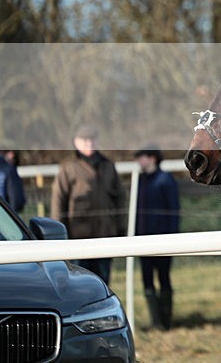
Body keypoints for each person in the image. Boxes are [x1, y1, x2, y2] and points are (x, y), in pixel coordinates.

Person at [51, 124, 125, 284]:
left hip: (104, 236)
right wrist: (58, 235)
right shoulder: (68, 168)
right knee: (80, 283)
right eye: (84, 140)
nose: (89, 144)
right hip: (77, 238)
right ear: (76, 142)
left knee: (103, 283)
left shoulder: (108, 165)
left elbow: (119, 198)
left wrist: (120, 228)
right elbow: (59, 201)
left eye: (92, 140)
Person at [134, 146, 180, 330]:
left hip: (163, 241)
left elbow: (174, 210)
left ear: (152, 158)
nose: (139, 161)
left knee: (163, 278)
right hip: (142, 241)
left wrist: (171, 238)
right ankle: (156, 321)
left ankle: (166, 320)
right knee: (147, 279)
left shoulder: (166, 180)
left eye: (142, 157)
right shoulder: (140, 181)